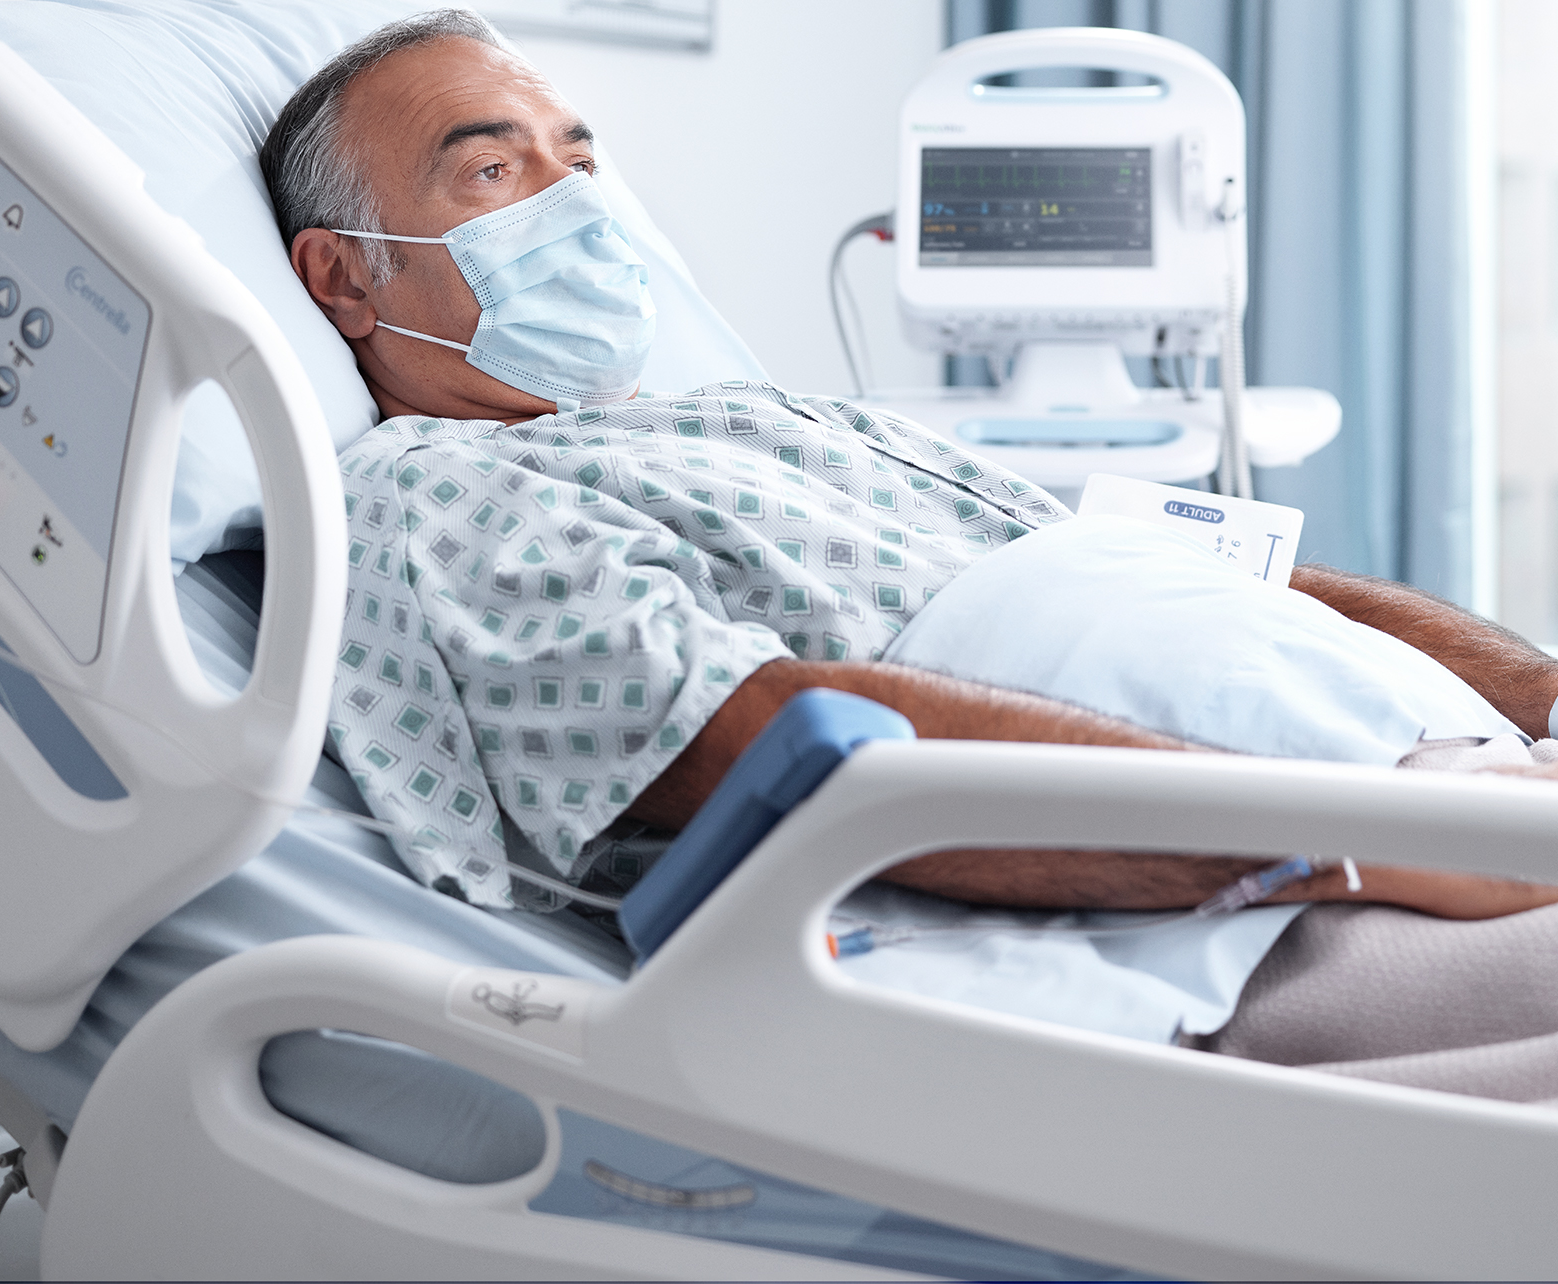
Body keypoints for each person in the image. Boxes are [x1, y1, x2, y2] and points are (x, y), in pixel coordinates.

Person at [259, 11, 1558, 1097]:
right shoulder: (433, 490)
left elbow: (1196, 574)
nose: (576, 202)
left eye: (579, 161)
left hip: (1421, 793)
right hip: (1259, 915)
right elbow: (766, 744)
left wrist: (1536, 700)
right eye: (493, 173)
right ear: (344, 281)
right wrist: (1338, 838)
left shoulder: (756, 417)